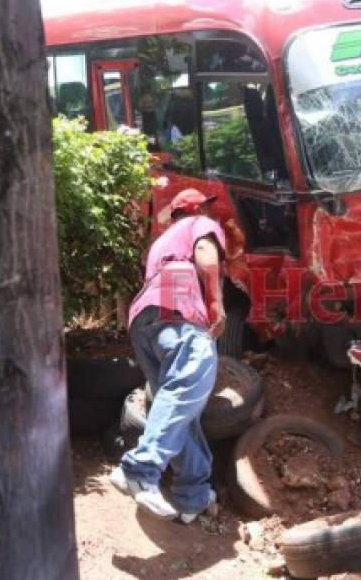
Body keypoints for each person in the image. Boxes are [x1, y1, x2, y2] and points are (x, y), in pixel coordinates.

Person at [109, 188, 227, 523]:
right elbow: (206, 256)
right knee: (192, 376)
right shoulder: (200, 226)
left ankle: (194, 496)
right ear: (196, 208)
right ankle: (140, 469)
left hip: (143, 321)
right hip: (177, 311)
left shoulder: (160, 243)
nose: (210, 214)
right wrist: (216, 305)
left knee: (176, 405)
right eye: (206, 208)